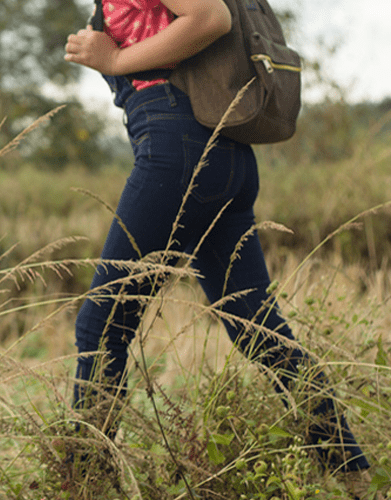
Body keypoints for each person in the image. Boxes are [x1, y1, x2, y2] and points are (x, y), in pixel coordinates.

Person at [63, 0, 379, 497]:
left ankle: (81, 486)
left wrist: (115, 61)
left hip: (177, 146)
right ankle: (355, 476)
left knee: (101, 325)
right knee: (258, 327)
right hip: (221, 152)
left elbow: (211, 17)